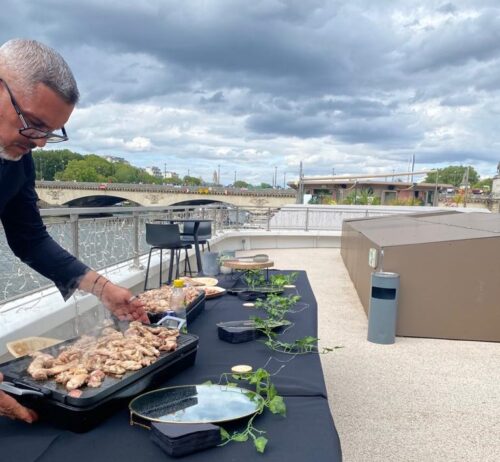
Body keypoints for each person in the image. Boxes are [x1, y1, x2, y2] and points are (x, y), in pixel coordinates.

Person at [0, 38, 148, 423]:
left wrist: (104, 288)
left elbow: (30, 239)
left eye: (51, 132)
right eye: (34, 124)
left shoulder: (17, 159)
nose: (39, 143)